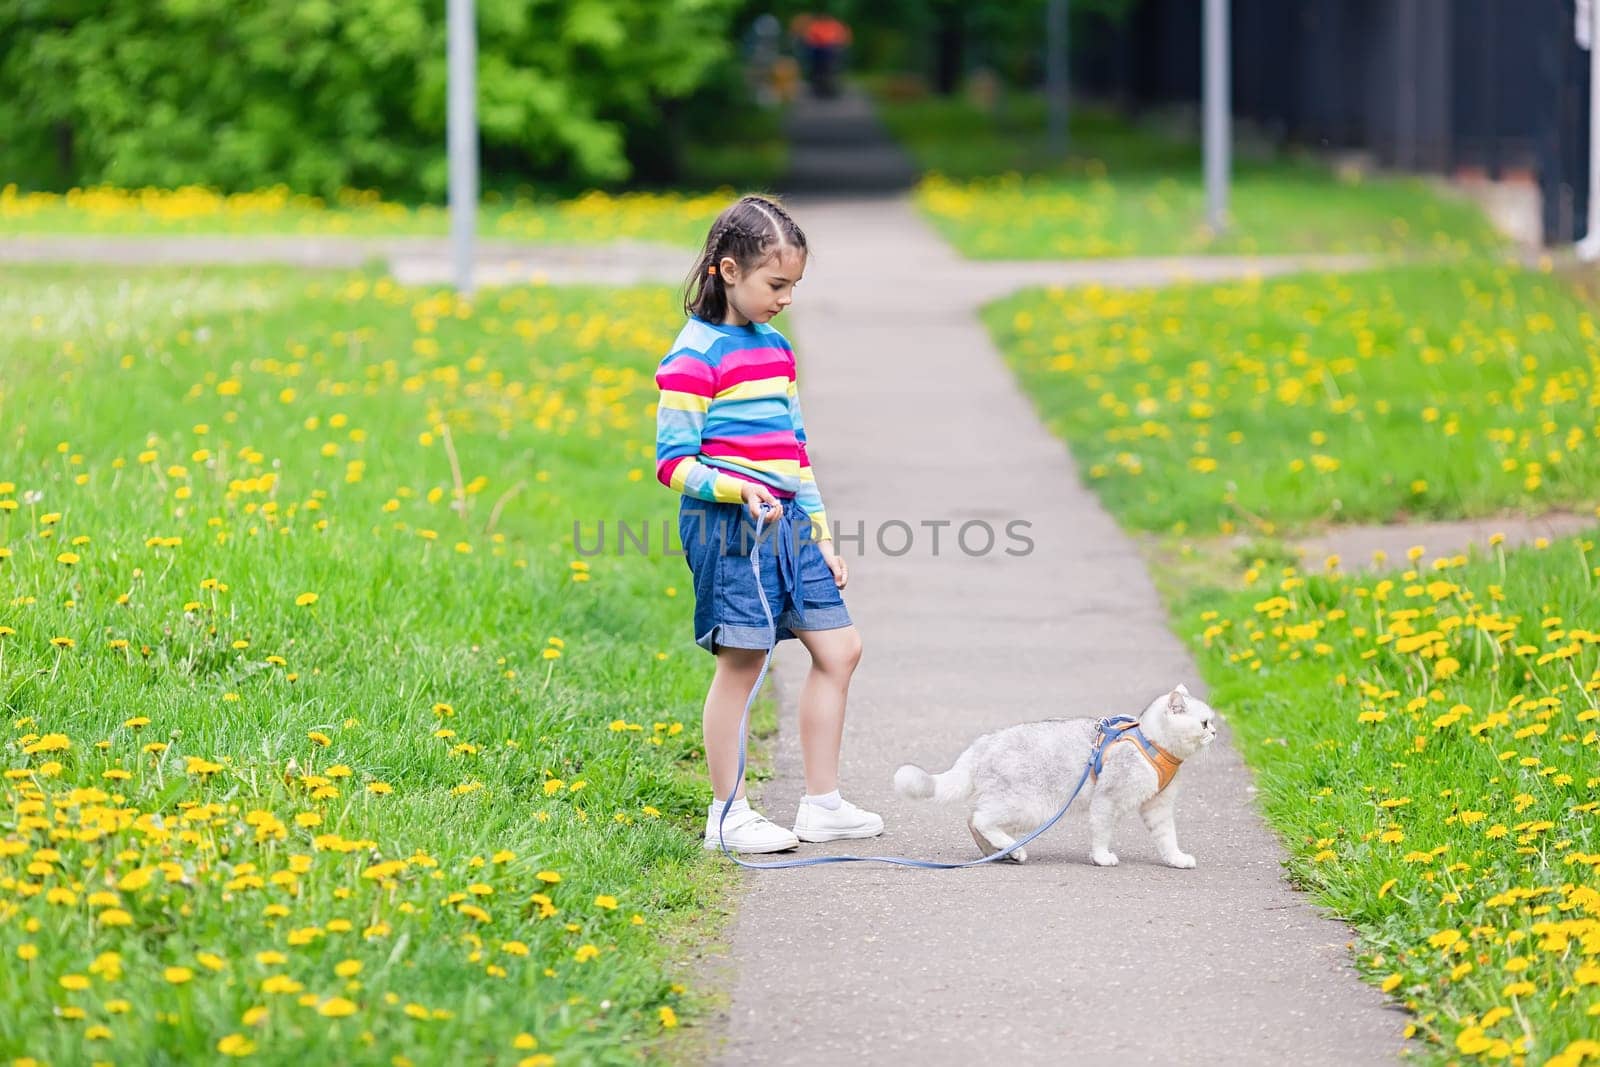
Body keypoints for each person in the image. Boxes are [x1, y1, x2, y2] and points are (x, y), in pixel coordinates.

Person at [654, 194, 883, 854]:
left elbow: (795, 452)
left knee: (840, 649)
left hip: (787, 525)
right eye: (775, 283)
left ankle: (822, 803)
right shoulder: (694, 355)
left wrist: (820, 533)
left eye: (793, 285)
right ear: (729, 271)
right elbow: (673, 463)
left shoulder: (777, 351)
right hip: (729, 529)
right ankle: (727, 812)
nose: (785, 297)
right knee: (745, 660)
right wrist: (739, 488)